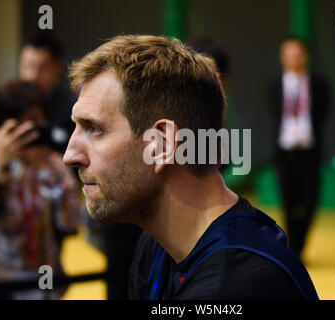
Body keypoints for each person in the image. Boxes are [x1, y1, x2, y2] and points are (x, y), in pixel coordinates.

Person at [63, 35, 318, 300]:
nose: (70, 155)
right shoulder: (157, 245)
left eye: (94, 129)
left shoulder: (234, 286)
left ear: (162, 143)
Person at [0, 80, 83, 299]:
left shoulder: (54, 166)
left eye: (34, 122)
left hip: (45, 281)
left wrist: (49, 174)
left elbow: (71, 222)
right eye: (17, 126)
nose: (28, 133)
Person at [269, 36, 329, 258]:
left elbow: (323, 113)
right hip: (285, 150)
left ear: (305, 56)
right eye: (289, 53)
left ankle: (300, 243)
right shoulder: (275, 85)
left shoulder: (318, 83)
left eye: (297, 53)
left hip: (310, 151)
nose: (293, 58)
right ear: (282, 57)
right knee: (288, 200)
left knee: (310, 200)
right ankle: (294, 249)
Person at [18, 30, 76, 153]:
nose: (32, 76)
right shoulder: (9, 103)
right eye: (27, 66)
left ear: (58, 67)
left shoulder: (72, 108)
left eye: (42, 68)